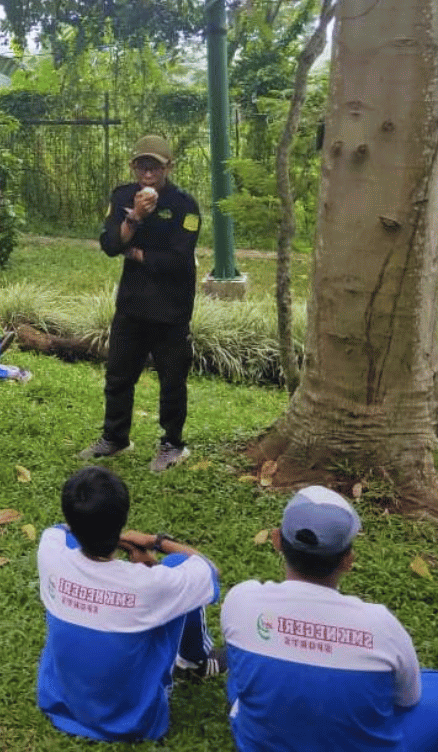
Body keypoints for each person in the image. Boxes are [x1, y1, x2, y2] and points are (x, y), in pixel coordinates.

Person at [221, 485, 438, 751]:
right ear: (348, 560)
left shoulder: (241, 601)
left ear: (276, 540)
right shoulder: (382, 626)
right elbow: (407, 700)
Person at [36, 465, 223, 744]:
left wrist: (111, 538)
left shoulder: (50, 551)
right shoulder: (150, 584)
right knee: (178, 566)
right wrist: (156, 542)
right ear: (122, 519)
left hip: (60, 705)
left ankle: (194, 662)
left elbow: (60, 530)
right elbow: (209, 568)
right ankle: (196, 661)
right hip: (133, 723)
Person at [79, 134, 201, 472]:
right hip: (132, 304)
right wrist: (133, 218)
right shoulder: (121, 197)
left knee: (171, 380)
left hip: (171, 308)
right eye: (142, 165)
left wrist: (136, 252)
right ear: (134, 166)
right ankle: (115, 438)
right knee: (118, 375)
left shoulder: (183, 205)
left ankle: (172, 444)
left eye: (156, 166)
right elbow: (108, 244)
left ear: (168, 168)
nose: (148, 173)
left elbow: (179, 260)